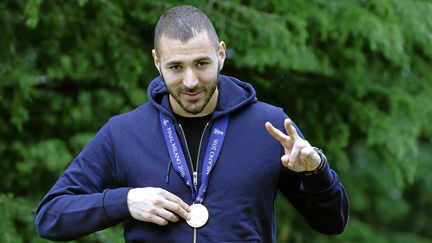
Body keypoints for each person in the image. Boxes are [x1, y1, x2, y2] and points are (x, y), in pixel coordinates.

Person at [35, 5, 349, 243]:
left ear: (221, 54)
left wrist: (316, 171)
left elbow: (332, 223)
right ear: (157, 61)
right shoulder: (123, 133)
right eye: (175, 67)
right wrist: (126, 201)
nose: (190, 81)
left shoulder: (269, 126)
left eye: (201, 64)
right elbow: (51, 216)